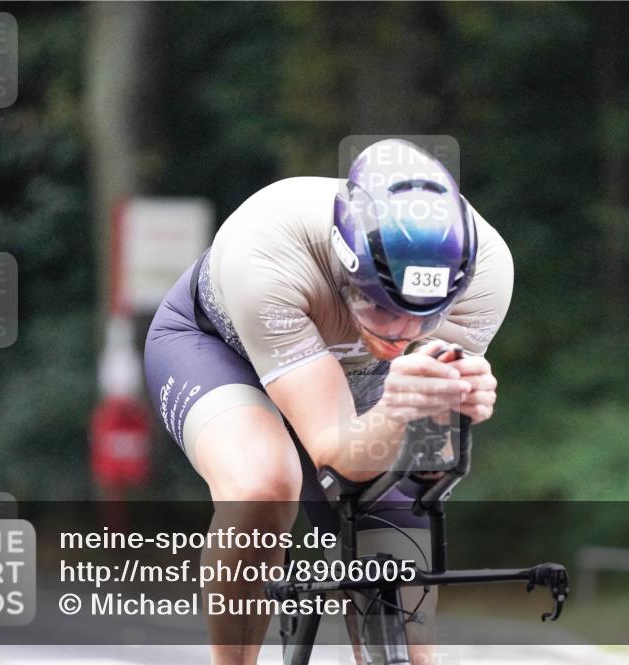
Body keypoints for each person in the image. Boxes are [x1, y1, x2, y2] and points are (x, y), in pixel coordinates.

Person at [144, 138, 514, 665]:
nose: (403, 335)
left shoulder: (488, 276)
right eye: (385, 310)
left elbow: (422, 468)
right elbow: (334, 452)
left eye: (426, 316)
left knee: (400, 585)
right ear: (345, 268)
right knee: (264, 485)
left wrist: (450, 414)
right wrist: (396, 410)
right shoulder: (269, 251)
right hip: (221, 351)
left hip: (359, 383)